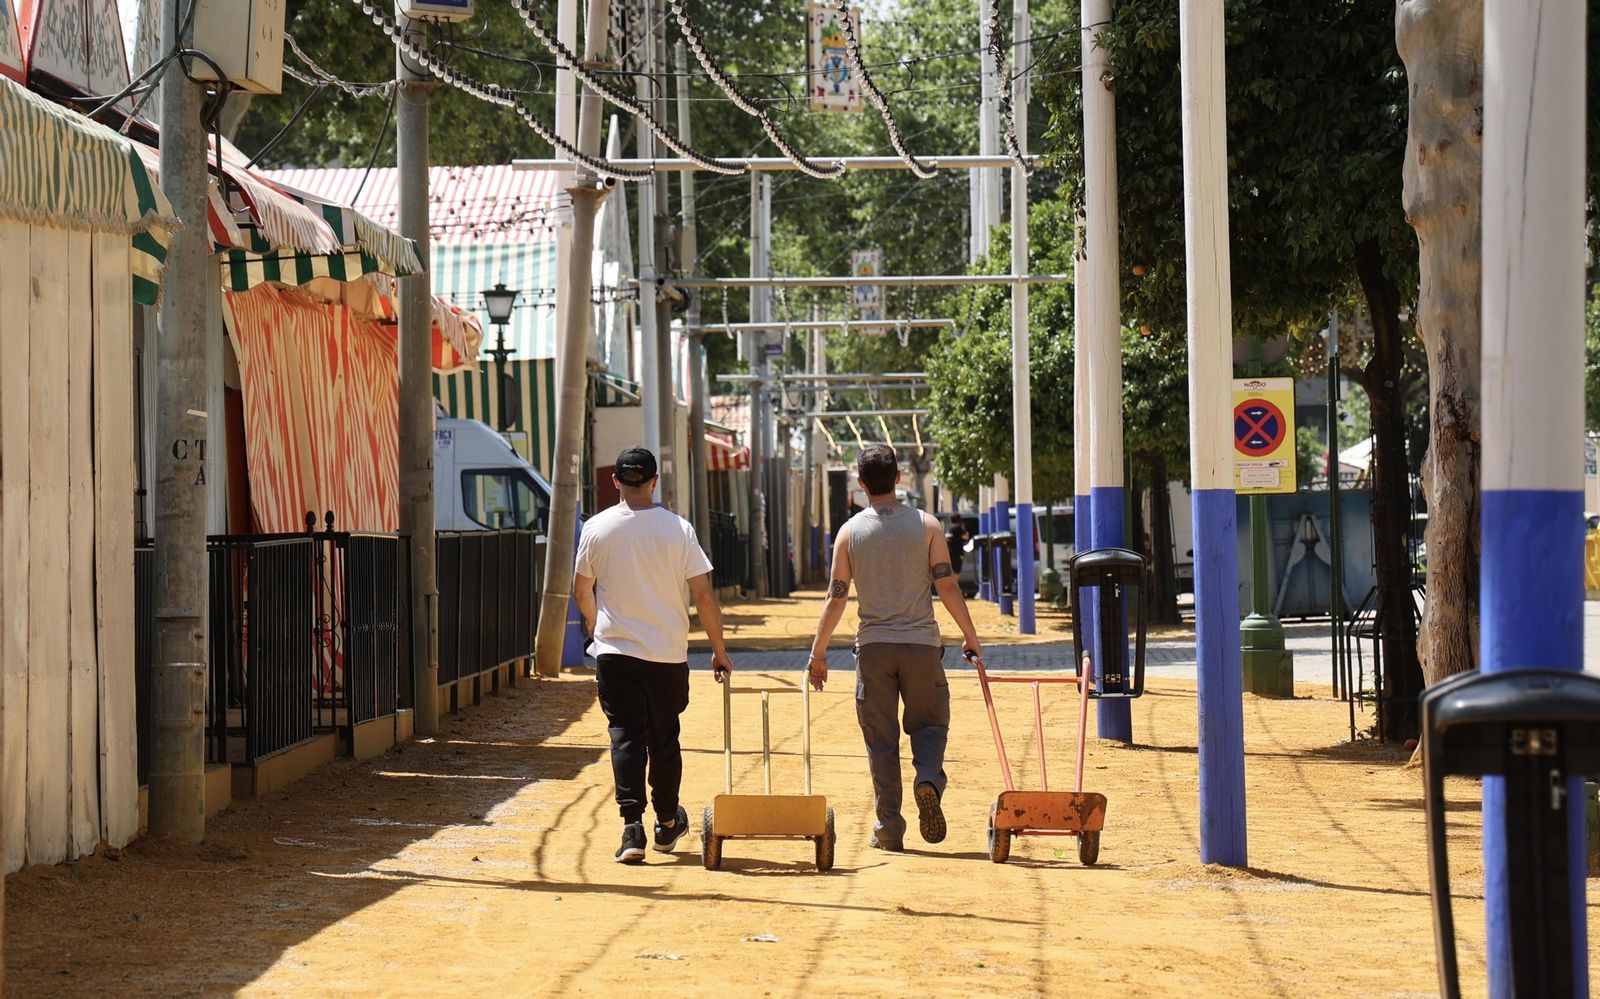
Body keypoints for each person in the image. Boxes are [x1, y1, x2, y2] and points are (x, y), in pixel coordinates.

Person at [806, 444, 983, 851]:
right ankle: (927, 780)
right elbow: (947, 585)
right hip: (922, 646)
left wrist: (818, 653)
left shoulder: (849, 533)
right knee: (931, 725)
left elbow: (836, 596)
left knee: (881, 741)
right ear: (899, 477)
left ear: (862, 484)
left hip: (873, 650)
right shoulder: (928, 527)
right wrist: (970, 636)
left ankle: (889, 828)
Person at [575, 447, 735, 864]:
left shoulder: (596, 528)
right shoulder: (678, 530)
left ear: (616, 482)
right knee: (663, 735)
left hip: (615, 652)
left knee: (625, 734)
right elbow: (703, 595)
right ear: (654, 481)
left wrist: (596, 628)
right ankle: (666, 823)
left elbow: (581, 589)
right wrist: (719, 651)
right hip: (666, 654)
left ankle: (632, 830)